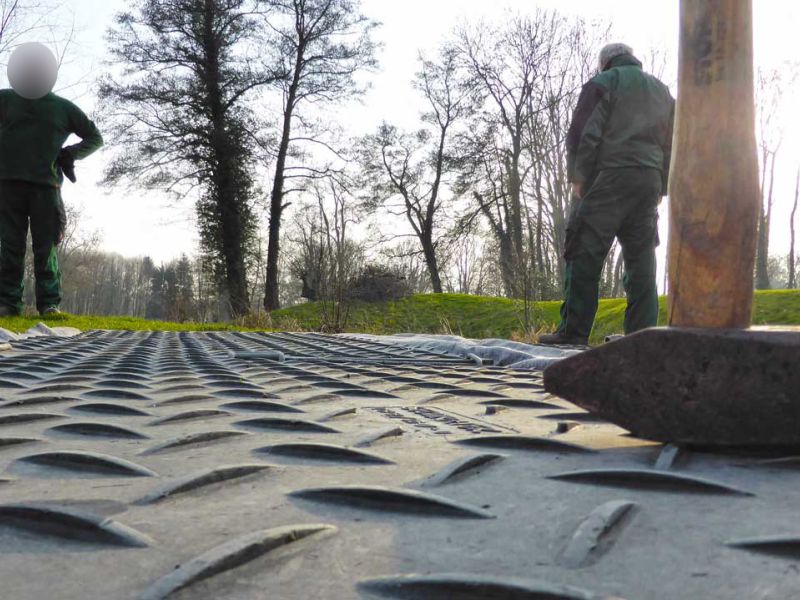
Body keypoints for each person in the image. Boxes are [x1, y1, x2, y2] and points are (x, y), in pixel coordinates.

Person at [539, 43, 675, 346]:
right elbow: (672, 141)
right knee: (641, 261)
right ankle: (641, 337)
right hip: (648, 182)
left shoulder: (602, 83)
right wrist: (663, 185)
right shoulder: (662, 91)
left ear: (605, 63)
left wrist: (579, 177)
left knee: (583, 251)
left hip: (609, 179)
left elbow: (583, 131)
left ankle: (573, 332)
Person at [0, 42, 103, 317]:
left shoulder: (63, 108)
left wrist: (70, 153)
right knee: (11, 246)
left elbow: (95, 138)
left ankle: (49, 304)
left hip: (46, 188)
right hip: (8, 185)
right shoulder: (5, 100)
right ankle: (9, 304)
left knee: (46, 249)